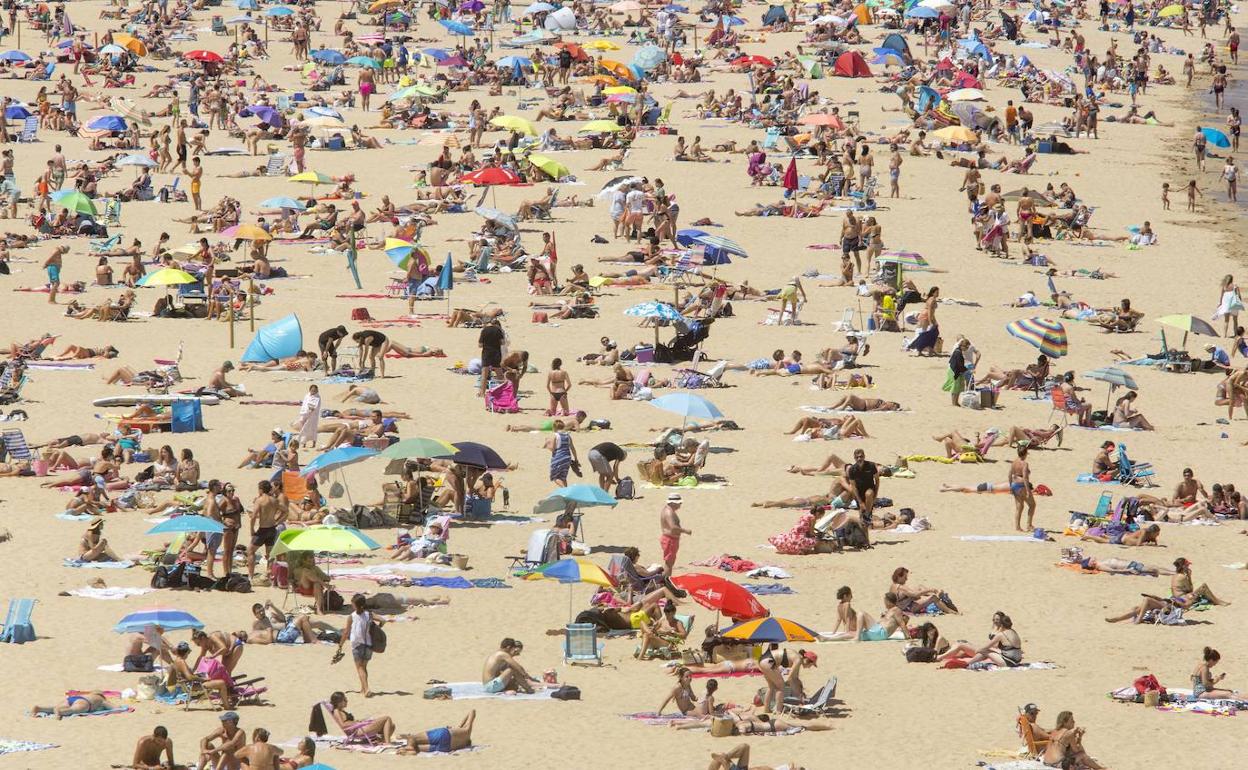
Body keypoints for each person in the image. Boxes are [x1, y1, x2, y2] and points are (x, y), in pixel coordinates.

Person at [334, 594, 383, 697]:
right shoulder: (369, 614)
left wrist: (340, 645)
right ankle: (363, 688)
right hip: (369, 645)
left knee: (360, 668)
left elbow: (346, 632)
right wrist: (377, 628)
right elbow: (383, 620)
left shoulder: (352, 616)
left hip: (357, 645)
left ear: (355, 605)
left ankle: (366, 689)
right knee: (364, 667)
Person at [938, 611, 1024, 667]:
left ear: (1002, 623)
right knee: (964, 647)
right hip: (1015, 660)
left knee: (983, 651)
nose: (995, 621)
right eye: (994, 619)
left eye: (997, 620)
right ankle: (966, 662)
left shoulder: (1001, 634)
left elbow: (987, 646)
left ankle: (967, 663)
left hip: (1008, 662)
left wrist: (978, 650)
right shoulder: (1013, 632)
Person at [1041, 711, 1105, 769]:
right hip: (1057, 764)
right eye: (1071, 720)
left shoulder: (1054, 731)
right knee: (1082, 755)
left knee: (1071, 755)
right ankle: (1101, 768)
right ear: (1065, 723)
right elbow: (1076, 750)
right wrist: (1080, 737)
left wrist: (1075, 734)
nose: (1074, 722)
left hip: (1046, 762)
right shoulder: (1069, 733)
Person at [398, 710, 476, 755]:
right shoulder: (462, 744)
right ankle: (411, 750)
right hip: (445, 748)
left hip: (444, 734)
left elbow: (472, 711)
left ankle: (409, 747)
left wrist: (459, 726)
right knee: (417, 748)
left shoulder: (467, 731)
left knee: (412, 738)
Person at [844, 449, 880, 522]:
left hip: (870, 489)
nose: (859, 459)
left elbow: (877, 480)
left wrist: (876, 493)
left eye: (861, 456)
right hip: (859, 492)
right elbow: (853, 486)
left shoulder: (871, 466)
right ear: (854, 458)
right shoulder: (852, 469)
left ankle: (868, 514)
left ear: (864, 456)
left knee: (868, 494)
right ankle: (865, 516)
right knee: (861, 517)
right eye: (857, 457)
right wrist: (860, 502)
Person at [660, 492, 691, 575]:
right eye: (679, 503)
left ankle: (666, 581)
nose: (680, 505)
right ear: (673, 503)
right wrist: (685, 531)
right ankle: (666, 582)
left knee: (670, 563)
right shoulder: (669, 512)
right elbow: (673, 528)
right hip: (670, 540)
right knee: (669, 564)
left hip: (669, 539)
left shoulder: (667, 510)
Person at [30, 690, 118, 719]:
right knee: (72, 710)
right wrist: (122, 707)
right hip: (84, 703)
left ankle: (39, 708)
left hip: (73, 698)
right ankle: (59, 712)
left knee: (55, 707)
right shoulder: (101, 699)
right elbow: (114, 708)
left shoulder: (89, 695)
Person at [1010, 445, 1037, 532]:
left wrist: (1010, 486)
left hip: (1014, 484)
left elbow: (1009, 474)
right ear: (1025, 454)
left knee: (1019, 507)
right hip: (1022, 485)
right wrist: (1028, 490)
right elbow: (1025, 477)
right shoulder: (1025, 464)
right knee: (1032, 505)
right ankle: (1029, 525)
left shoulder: (1014, 462)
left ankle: (1017, 527)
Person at [544, 420, 578, 487]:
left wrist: (547, 444)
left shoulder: (555, 436)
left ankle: (564, 490)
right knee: (563, 477)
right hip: (567, 457)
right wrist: (576, 459)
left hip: (558, 457)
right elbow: (573, 448)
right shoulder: (568, 436)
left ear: (554, 428)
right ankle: (565, 494)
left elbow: (552, 449)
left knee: (555, 477)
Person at [478, 319, 505, 398]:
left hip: (486, 353)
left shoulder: (484, 330)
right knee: (499, 374)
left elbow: (480, 345)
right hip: (496, 353)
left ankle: (482, 393)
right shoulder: (498, 330)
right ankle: (504, 391)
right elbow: (503, 342)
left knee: (484, 374)